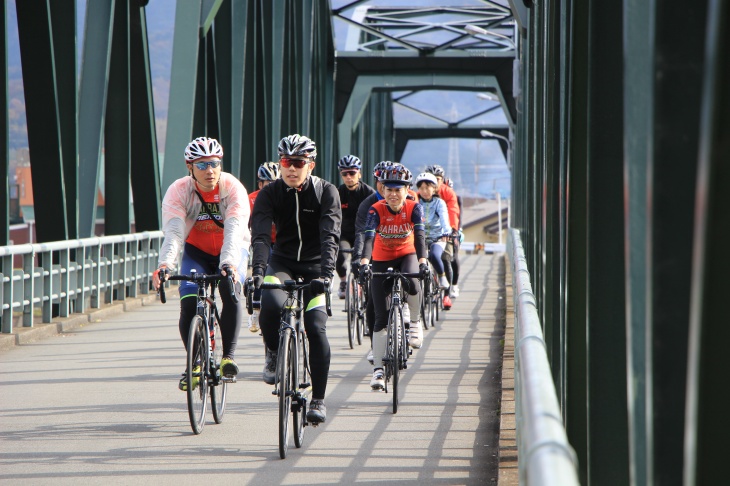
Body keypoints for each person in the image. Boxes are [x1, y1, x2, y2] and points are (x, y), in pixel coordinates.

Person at [250, 134, 341, 424]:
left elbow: (330, 237)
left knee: (316, 327)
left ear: (310, 165)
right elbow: (261, 237)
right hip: (282, 262)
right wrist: (257, 271)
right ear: (281, 163)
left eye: (298, 163)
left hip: (316, 267)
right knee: (271, 302)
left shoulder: (326, 192)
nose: (292, 168)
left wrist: (327, 276)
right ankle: (274, 352)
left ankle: (319, 399)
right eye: (287, 162)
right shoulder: (270, 193)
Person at [153, 136, 250, 391]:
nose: (210, 170)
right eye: (203, 165)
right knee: (188, 301)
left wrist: (229, 264)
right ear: (190, 167)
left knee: (230, 292)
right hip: (197, 251)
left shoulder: (232, 188)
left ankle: (228, 356)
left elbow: (234, 230)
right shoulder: (179, 190)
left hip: (232, 248)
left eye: (215, 163)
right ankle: (194, 362)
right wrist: (165, 265)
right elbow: (174, 233)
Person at [359, 165, 428, 390]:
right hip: (381, 258)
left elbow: (419, 237)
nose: (393, 194)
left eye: (398, 189)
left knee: (414, 284)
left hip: (407, 254)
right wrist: (364, 263)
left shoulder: (415, 208)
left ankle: (415, 324)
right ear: (383, 189)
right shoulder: (375, 210)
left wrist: (423, 262)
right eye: (389, 189)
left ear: (407, 190)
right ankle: (378, 369)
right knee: (380, 317)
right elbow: (368, 238)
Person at [247, 162, 281, 332]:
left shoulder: (286, 197)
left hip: (281, 241)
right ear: (260, 184)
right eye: (269, 184)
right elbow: (243, 225)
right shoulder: (250, 200)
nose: (274, 188)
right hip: (262, 240)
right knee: (261, 269)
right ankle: (256, 309)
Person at [335, 155, 375, 299]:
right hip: (345, 234)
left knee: (362, 262)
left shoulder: (369, 193)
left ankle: (364, 288)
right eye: (344, 174)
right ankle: (344, 282)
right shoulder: (337, 193)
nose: (348, 177)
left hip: (363, 234)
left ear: (360, 173)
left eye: (352, 173)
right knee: (339, 256)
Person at [415, 172, 452, 308]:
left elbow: (444, 219)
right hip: (421, 238)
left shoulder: (439, 203)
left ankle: (442, 277)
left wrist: (447, 231)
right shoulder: (416, 203)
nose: (424, 191)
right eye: (421, 188)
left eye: (428, 187)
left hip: (438, 237)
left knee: (434, 255)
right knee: (418, 260)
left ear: (434, 188)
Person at [425, 164, 460, 303]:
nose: (435, 181)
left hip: (444, 232)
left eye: (438, 179)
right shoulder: (421, 193)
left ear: (442, 180)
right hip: (425, 233)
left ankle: (446, 294)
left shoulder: (448, 193)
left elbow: (452, 212)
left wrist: (451, 230)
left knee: (446, 258)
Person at [446, 178, 463, 298]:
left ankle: (455, 285)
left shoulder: (456, 199)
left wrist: (456, 230)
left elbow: (458, 216)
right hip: (436, 232)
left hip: (452, 230)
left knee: (453, 256)